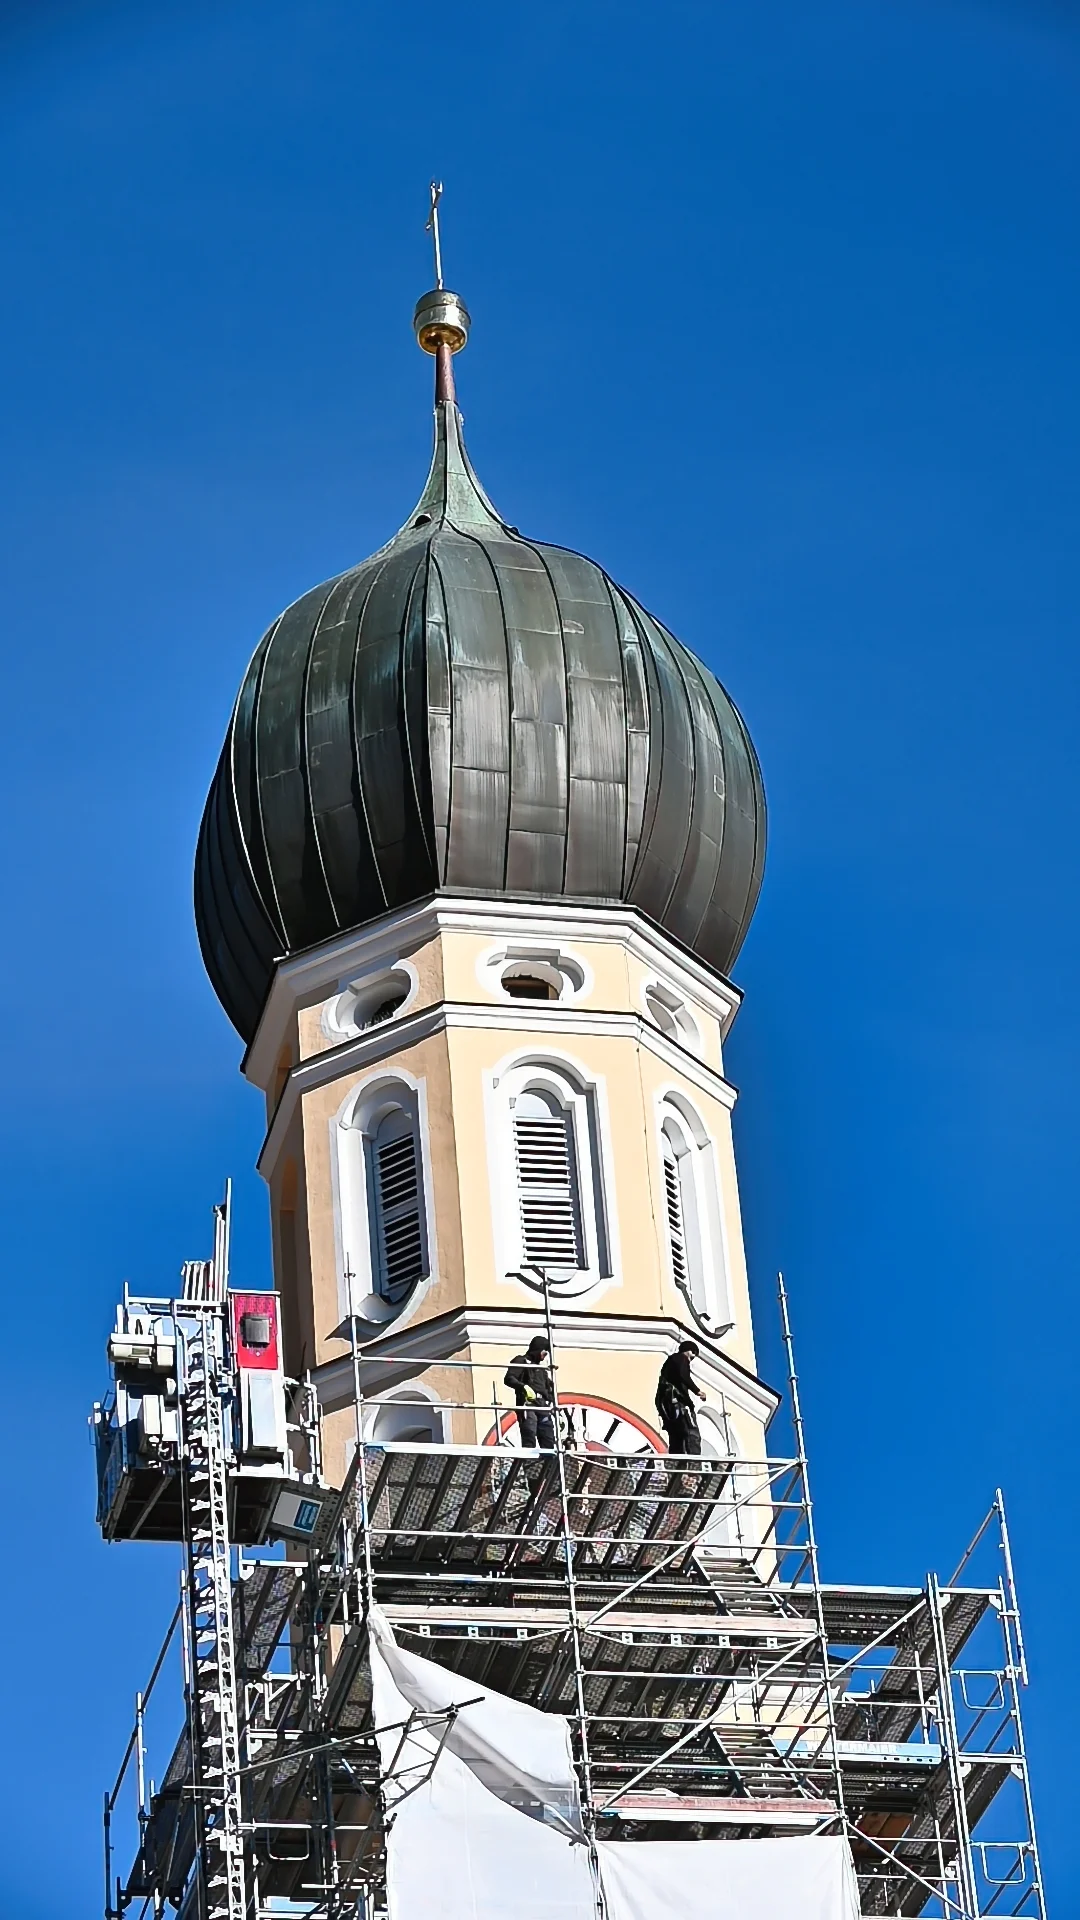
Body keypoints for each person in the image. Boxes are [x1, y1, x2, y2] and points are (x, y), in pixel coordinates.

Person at [655, 1340, 706, 1456]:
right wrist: (697, 1391)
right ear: (691, 1351)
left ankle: (677, 1462)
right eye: (693, 1356)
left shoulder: (668, 1366)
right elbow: (683, 1375)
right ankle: (694, 1463)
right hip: (679, 1403)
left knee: (676, 1435)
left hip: (667, 1406)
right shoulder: (681, 1358)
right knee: (691, 1432)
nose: (691, 1360)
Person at [504, 1337, 556, 1450]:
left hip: (543, 1406)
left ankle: (549, 1467)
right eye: (544, 1352)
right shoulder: (521, 1361)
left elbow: (548, 1390)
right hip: (528, 1404)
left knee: (548, 1441)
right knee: (529, 1438)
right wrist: (523, 1387)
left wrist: (553, 1403)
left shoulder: (541, 1369)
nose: (545, 1355)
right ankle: (530, 1466)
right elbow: (509, 1378)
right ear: (538, 1350)